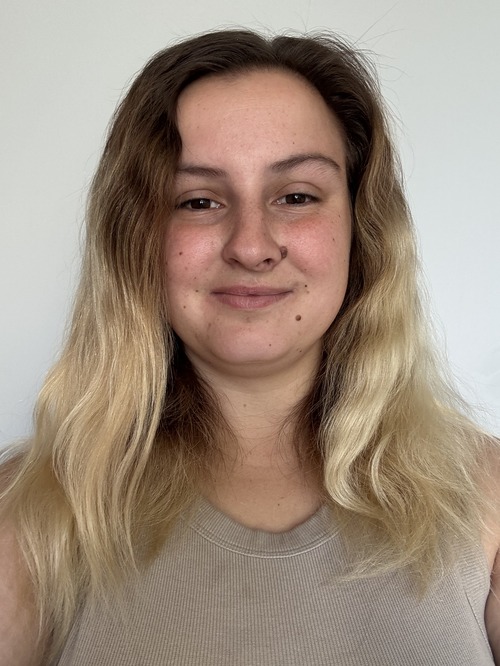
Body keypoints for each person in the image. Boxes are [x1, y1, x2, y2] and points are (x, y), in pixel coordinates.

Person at [0, 29, 499, 665]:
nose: (251, 246)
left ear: (361, 228)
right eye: (198, 201)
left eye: (296, 196)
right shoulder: (30, 513)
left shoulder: (486, 493)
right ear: (136, 239)